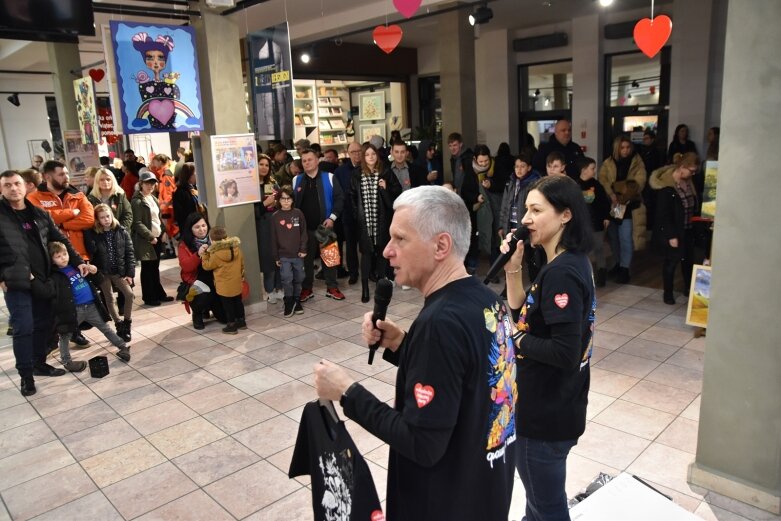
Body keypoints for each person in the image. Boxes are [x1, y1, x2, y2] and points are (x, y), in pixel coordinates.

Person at [313, 185, 518, 521]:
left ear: (441, 245)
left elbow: (423, 443)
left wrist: (348, 393)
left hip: (443, 504)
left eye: (400, 239)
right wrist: (400, 344)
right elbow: (465, 379)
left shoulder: (440, 324)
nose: (387, 251)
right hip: (486, 493)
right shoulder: (487, 301)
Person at [502, 175, 595, 521]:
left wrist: (514, 341)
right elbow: (523, 315)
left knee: (548, 508)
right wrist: (513, 270)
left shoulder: (563, 273)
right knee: (538, 505)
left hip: (544, 416)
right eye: (525, 209)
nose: (525, 219)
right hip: (556, 407)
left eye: (536, 210)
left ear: (565, 215)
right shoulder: (564, 263)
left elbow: (565, 353)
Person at [0, 170, 91, 396]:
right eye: (7, 185)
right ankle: (26, 376)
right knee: (23, 327)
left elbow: (59, 239)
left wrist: (79, 261)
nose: (13, 188)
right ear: (1, 189)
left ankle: (39, 363)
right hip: (16, 282)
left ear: (26, 186)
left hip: (43, 280)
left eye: (17, 184)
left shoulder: (40, 214)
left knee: (45, 325)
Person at [48, 241, 131, 367]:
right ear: (52, 260)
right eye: (58, 256)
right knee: (66, 335)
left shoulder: (77, 267)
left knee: (105, 328)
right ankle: (66, 361)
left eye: (65, 254)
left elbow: (99, 280)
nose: (63, 258)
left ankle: (122, 346)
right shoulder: (55, 276)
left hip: (91, 306)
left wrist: (95, 271)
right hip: (75, 310)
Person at [292, 148, 346, 302]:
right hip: (304, 229)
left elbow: (340, 199)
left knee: (330, 259)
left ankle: (332, 287)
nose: (307, 162)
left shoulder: (329, 177)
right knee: (306, 261)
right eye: (304, 160)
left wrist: (332, 218)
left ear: (317, 161)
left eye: (310, 159)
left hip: (325, 226)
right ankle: (307, 289)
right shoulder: (296, 180)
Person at [351, 142, 402, 303]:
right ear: (363, 157)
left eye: (373, 154)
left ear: (377, 156)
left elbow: (397, 192)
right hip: (364, 222)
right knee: (366, 254)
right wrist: (356, 216)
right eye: (367, 155)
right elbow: (351, 197)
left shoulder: (385, 171)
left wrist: (385, 188)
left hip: (381, 220)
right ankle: (365, 287)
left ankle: (380, 286)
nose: (370, 157)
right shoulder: (357, 174)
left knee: (381, 253)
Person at [650, 152, 700, 305]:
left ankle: (687, 288)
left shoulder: (689, 182)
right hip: (674, 230)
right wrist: (671, 235)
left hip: (688, 227)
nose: (693, 173)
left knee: (689, 260)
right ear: (682, 167)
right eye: (691, 171)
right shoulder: (666, 186)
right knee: (671, 261)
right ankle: (668, 292)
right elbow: (663, 215)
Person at [598, 135, 647, 283]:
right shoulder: (609, 162)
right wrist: (611, 193)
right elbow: (603, 179)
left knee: (625, 237)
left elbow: (639, 182)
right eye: (622, 148)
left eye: (628, 147)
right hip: (614, 206)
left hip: (629, 205)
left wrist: (622, 194)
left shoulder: (637, 162)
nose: (625, 151)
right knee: (614, 237)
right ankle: (618, 263)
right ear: (617, 148)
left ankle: (625, 268)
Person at [28, 160, 95, 262]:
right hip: (52, 258)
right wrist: (71, 213)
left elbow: (88, 219)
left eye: (67, 173)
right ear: (47, 177)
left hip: (80, 254)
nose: (66, 177)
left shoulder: (78, 195)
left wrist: (62, 225)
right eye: (61, 174)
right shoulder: (33, 197)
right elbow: (42, 218)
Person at [86, 204, 135, 341]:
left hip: (118, 271)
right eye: (102, 217)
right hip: (102, 271)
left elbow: (129, 252)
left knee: (129, 294)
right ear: (97, 219)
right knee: (109, 297)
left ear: (112, 215)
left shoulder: (121, 231)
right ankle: (118, 324)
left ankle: (127, 322)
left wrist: (130, 273)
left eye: (108, 216)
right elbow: (91, 252)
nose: (106, 219)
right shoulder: (93, 233)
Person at [178, 212, 226, 329]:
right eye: (197, 227)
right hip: (198, 282)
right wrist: (197, 255)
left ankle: (211, 307)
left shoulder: (214, 239)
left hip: (216, 280)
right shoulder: (184, 245)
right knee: (203, 295)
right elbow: (186, 267)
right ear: (191, 229)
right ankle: (198, 313)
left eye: (203, 225)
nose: (201, 230)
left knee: (225, 318)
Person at [131, 169, 172, 306]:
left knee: (155, 267)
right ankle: (149, 297)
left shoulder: (153, 198)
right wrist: (150, 236)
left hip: (157, 237)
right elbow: (137, 223)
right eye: (148, 183)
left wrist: (164, 231)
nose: (151, 186)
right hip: (146, 240)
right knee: (147, 268)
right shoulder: (137, 201)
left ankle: (159, 294)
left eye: (153, 183)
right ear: (141, 184)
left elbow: (158, 218)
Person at [200, 226, 246, 334]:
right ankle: (242, 322)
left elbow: (207, 266)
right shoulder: (236, 249)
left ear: (212, 240)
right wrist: (241, 275)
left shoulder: (215, 254)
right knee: (238, 302)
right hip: (237, 282)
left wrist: (204, 254)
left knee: (228, 306)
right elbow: (242, 264)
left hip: (224, 286)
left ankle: (232, 325)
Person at [271, 186, 308, 317]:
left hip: (298, 254)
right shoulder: (275, 217)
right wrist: (276, 257)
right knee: (287, 278)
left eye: (289, 198)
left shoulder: (298, 214)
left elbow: (303, 233)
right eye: (283, 199)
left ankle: (297, 299)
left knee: (299, 277)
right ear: (278, 200)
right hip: (283, 255)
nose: (286, 201)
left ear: (292, 200)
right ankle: (289, 300)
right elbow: (273, 238)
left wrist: (303, 249)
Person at [447, 132, 480, 274]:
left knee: (470, 231)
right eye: (450, 146)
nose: (453, 148)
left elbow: (471, 180)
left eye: (455, 145)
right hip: (459, 199)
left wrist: (472, 197)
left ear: (460, 144)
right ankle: (464, 261)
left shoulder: (467, 158)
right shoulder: (454, 159)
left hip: (468, 199)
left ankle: (471, 262)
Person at [575, 157, 611, 287]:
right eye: (592, 168)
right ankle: (584, 275)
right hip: (581, 224)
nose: (594, 171)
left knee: (599, 248)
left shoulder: (597, 185)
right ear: (584, 169)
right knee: (583, 250)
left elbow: (604, 202)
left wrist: (606, 216)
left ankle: (601, 275)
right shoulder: (575, 185)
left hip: (596, 222)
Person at [254, 153, 283, 303]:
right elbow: (251, 212)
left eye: (267, 165)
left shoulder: (272, 183)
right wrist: (264, 205)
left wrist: (277, 203)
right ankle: (269, 290)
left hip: (276, 224)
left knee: (278, 256)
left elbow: (282, 202)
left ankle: (280, 288)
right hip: (261, 227)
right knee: (267, 258)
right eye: (261, 164)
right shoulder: (251, 186)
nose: (264, 168)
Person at [334, 142, 361, 283]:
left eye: (359, 151)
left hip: (365, 213)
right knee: (350, 246)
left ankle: (371, 271)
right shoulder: (341, 171)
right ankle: (353, 273)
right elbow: (339, 194)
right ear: (348, 153)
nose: (357, 154)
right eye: (353, 152)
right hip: (348, 214)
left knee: (367, 244)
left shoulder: (367, 168)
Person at [172, 162, 207, 234]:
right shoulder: (180, 192)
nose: (197, 175)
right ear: (188, 175)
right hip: (190, 230)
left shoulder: (194, 188)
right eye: (195, 173)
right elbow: (180, 216)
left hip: (199, 227)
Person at [639, 129, 664, 231]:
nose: (644, 140)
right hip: (639, 183)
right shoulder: (642, 151)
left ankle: (649, 226)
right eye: (643, 138)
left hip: (650, 181)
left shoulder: (656, 151)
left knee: (649, 204)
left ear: (652, 139)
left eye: (647, 138)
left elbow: (656, 167)